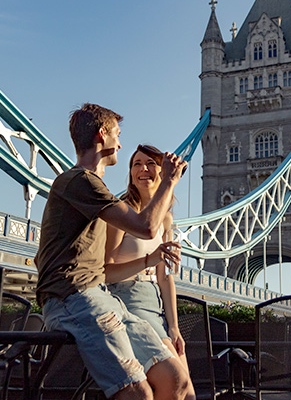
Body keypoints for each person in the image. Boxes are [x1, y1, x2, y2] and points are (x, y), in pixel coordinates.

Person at [35, 103, 193, 400]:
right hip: (73, 297)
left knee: (176, 381)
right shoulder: (80, 182)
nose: (120, 142)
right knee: (137, 393)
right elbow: (145, 227)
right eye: (117, 134)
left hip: (101, 297)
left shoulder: (95, 187)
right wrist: (169, 180)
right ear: (101, 135)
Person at [104, 144, 193, 391]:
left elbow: (165, 278)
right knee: (176, 382)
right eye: (136, 164)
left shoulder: (166, 218)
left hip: (156, 309)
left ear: (162, 172)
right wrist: (148, 261)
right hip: (128, 302)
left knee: (189, 394)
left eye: (150, 163)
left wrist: (174, 326)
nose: (143, 169)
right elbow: (106, 272)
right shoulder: (122, 212)